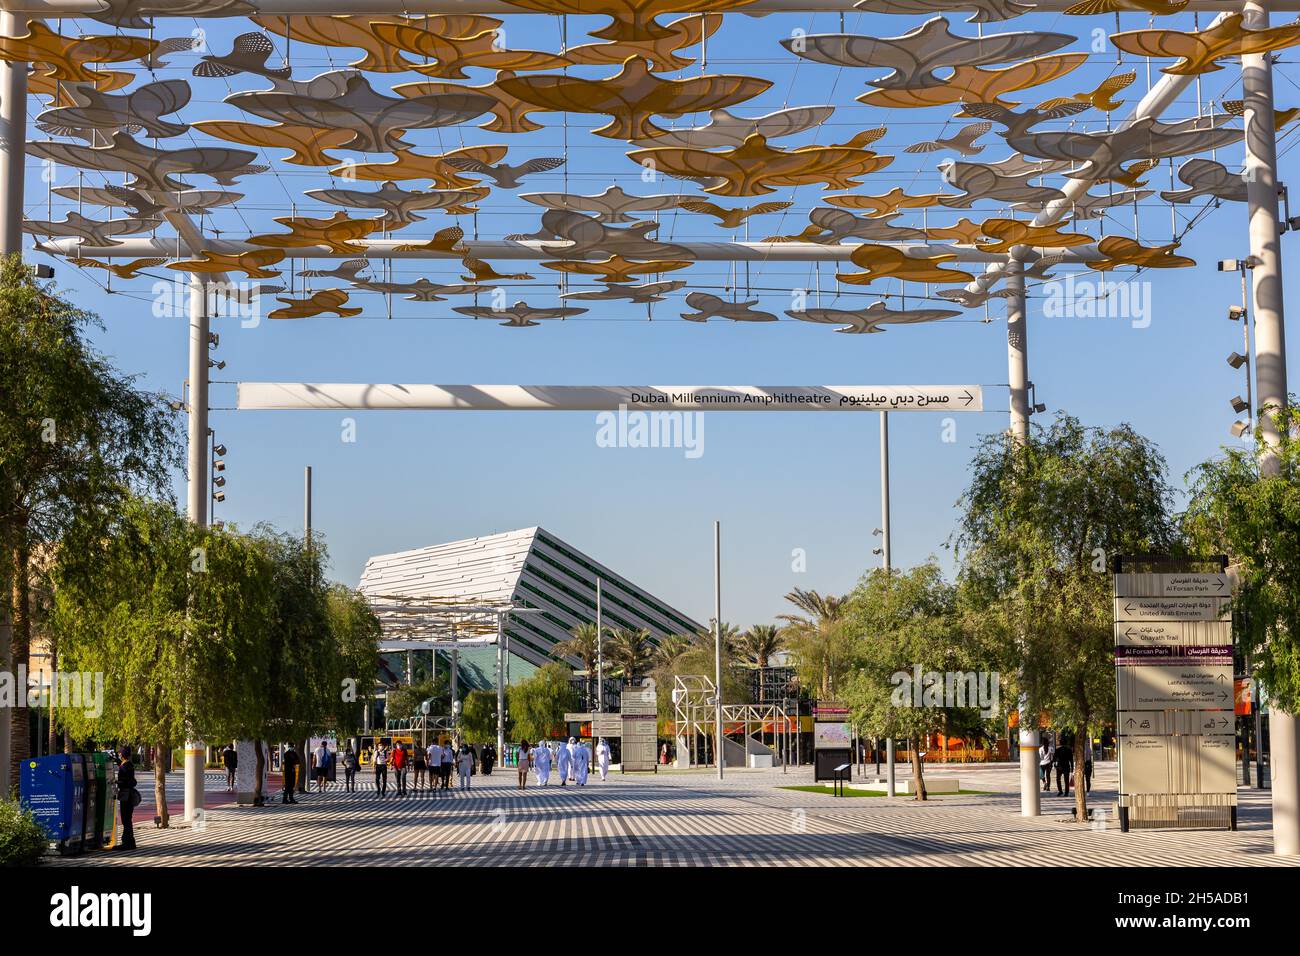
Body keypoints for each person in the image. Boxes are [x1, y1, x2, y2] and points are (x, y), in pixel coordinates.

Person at [116, 746, 139, 851]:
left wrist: (116, 782)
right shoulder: (129, 765)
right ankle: (131, 842)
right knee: (128, 819)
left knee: (125, 819)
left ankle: (126, 843)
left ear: (122, 754)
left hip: (125, 795)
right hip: (130, 795)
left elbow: (124, 779)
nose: (119, 754)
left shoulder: (124, 767)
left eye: (119, 753)